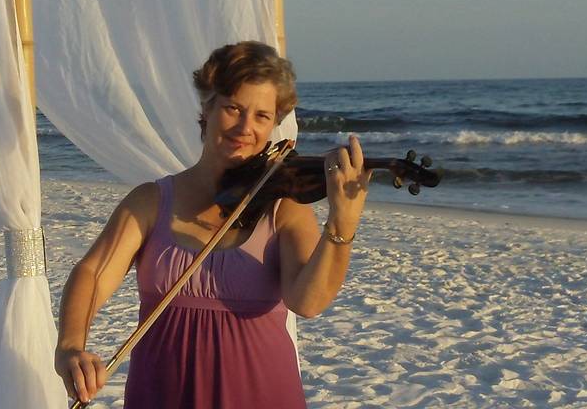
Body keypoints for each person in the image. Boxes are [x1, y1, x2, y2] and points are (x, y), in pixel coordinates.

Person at [54, 41, 372, 407]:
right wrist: (70, 347)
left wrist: (342, 221)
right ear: (207, 107)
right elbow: (93, 272)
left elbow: (308, 302)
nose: (245, 127)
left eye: (262, 117)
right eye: (233, 108)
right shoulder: (151, 201)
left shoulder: (284, 209)